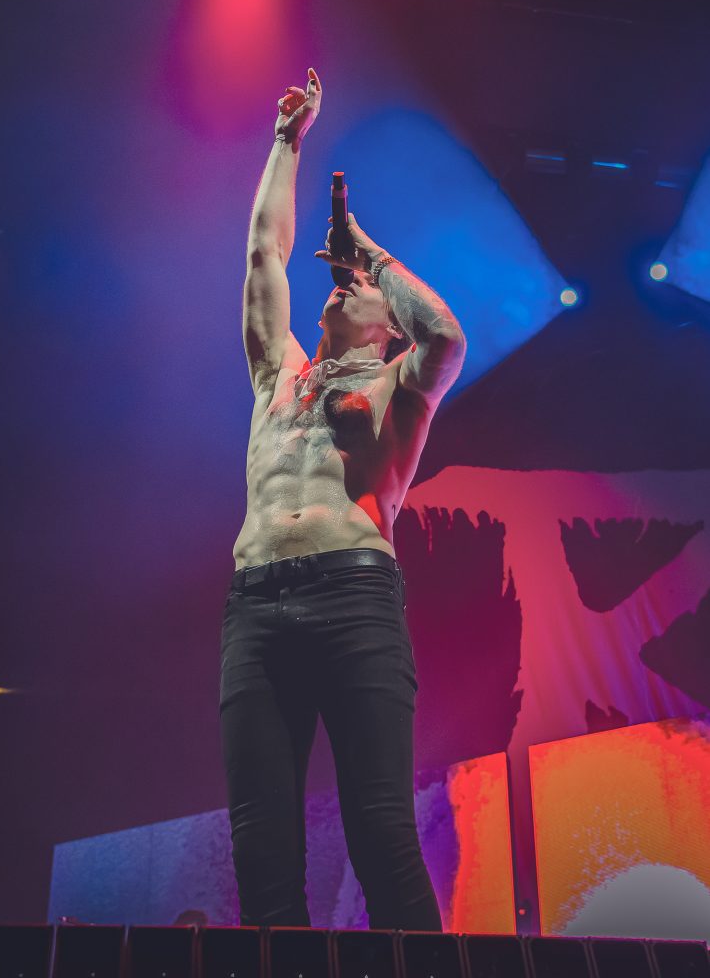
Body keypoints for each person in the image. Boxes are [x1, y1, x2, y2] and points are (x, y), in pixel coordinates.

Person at [220, 67, 466, 929]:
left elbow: (446, 333)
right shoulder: (279, 374)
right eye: (344, 275)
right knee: (261, 847)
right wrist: (285, 143)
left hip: (352, 595)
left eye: (356, 286)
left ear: (386, 323)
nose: (342, 281)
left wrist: (370, 252)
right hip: (257, 605)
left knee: (380, 833)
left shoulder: (401, 382)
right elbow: (263, 255)